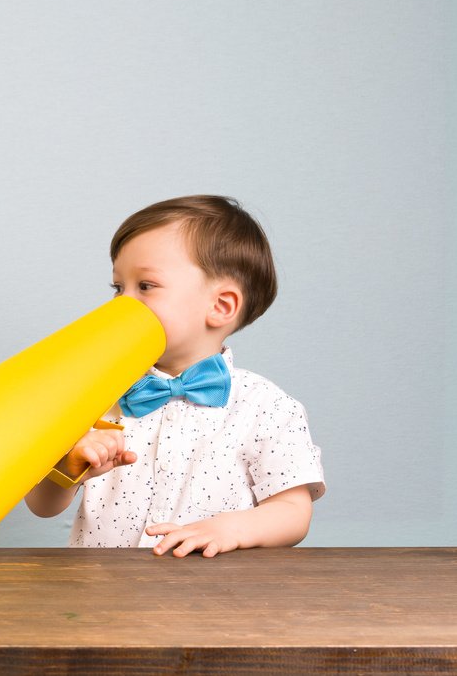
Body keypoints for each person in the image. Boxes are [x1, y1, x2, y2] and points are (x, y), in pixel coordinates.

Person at [25, 195, 324, 557]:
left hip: (213, 599)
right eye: (118, 288)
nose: (122, 303)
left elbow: (294, 514)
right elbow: (42, 506)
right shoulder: (94, 395)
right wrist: (70, 466)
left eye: (145, 286)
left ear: (220, 306)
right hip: (100, 595)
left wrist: (229, 528)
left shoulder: (268, 407)